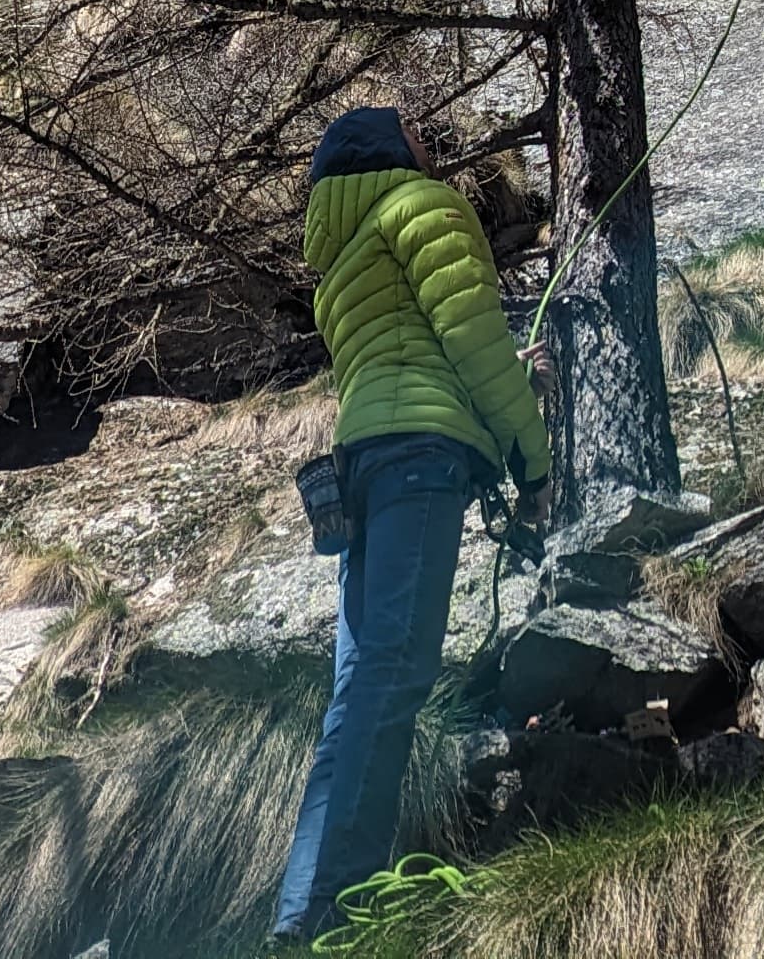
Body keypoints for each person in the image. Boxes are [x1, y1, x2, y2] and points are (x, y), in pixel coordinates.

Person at [269, 105, 554, 948]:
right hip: (423, 463)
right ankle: (327, 910)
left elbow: (406, 359)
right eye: (419, 136)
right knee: (392, 675)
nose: (433, 147)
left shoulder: (341, 258)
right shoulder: (423, 207)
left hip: (365, 470)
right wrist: (531, 457)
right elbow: (467, 340)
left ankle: (312, 907)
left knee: (361, 686)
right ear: (392, 150)